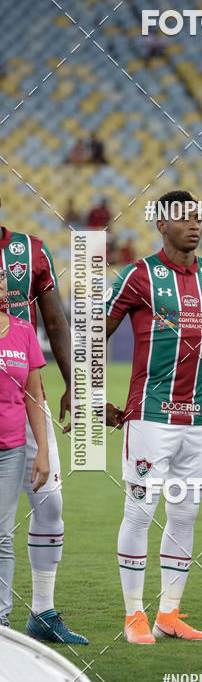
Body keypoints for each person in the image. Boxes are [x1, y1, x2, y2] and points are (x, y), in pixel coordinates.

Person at [105, 189, 202, 644]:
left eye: (199, 217)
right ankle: (134, 615)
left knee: (186, 514)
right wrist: (95, 396)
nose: (195, 225)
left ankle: (169, 615)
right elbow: (99, 331)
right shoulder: (139, 276)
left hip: (199, 419)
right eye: (184, 218)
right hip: (150, 417)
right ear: (161, 224)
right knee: (139, 511)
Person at [0, 205, 87, 643]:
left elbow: (55, 321)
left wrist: (74, 384)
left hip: (24, 397)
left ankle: (42, 610)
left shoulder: (30, 251)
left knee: (49, 503)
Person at [0, 267, 50, 628]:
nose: (3, 284)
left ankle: (0, 619)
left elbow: (34, 395)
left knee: (2, 534)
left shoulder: (22, 330)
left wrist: (43, 450)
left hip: (11, 451)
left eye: (3, 278)